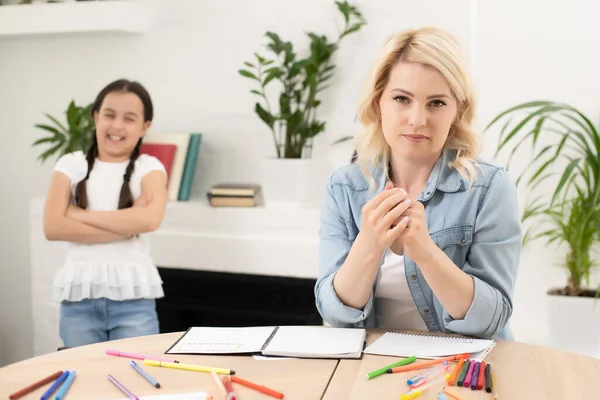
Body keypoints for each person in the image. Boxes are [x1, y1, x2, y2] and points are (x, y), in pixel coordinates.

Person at [314, 27, 522, 340]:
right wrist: (369, 244)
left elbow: (491, 318)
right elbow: (336, 315)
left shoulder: (488, 187)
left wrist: (424, 250)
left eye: (436, 103)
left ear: (457, 110)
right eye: (402, 99)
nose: (417, 119)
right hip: (375, 370)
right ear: (377, 104)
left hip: (463, 373)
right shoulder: (343, 188)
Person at [43, 79, 168, 347]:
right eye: (109, 115)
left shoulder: (150, 168)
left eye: (130, 118)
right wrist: (126, 224)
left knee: (138, 378)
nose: (117, 126)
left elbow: (149, 220)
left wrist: (77, 214)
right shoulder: (71, 165)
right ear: (96, 117)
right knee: (83, 382)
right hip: (78, 302)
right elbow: (53, 227)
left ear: (145, 126)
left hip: (134, 300)